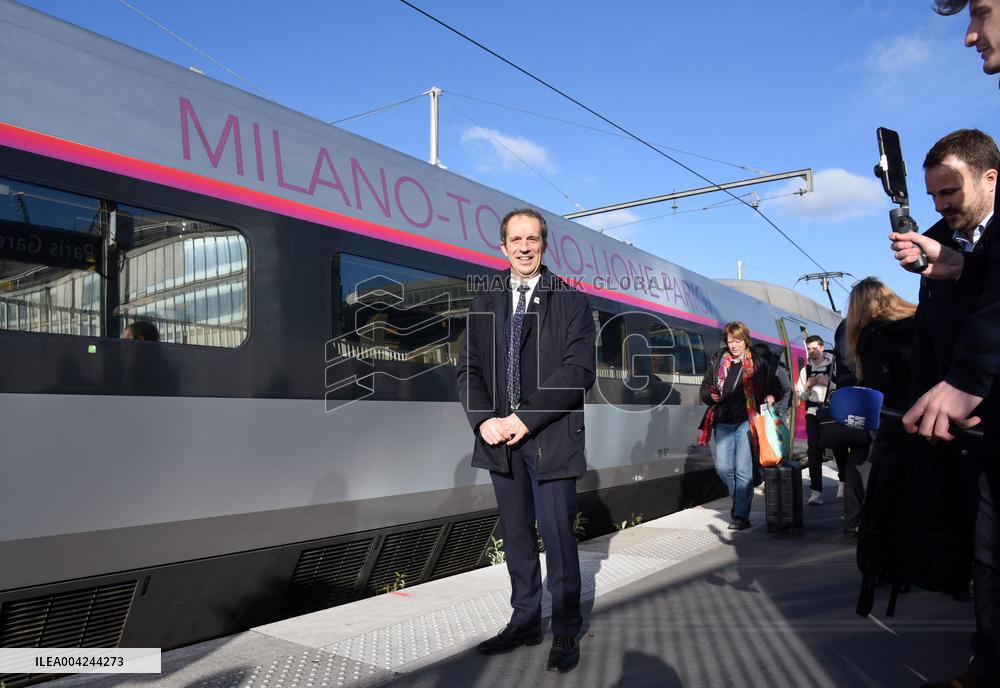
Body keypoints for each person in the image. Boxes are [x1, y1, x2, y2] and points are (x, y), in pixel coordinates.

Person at [456, 208, 595, 673]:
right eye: (515, 239)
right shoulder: (484, 301)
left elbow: (578, 372)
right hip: (500, 443)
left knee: (557, 539)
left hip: (550, 440)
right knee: (516, 538)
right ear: (502, 246)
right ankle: (525, 619)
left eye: (532, 238)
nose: (524, 246)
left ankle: (566, 628)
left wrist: (524, 418)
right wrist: (483, 421)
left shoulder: (570, 301)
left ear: (544, 244)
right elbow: (468, 370)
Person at [891, 122, 1000, 688]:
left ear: (990, 178)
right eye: (933, 195)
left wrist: (965, 378)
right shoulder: (951, 241)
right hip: (974, 432)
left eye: (950, 193)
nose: (940, 205)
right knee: (988, 553)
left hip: (979, 400)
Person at [843, 278, 916, 533]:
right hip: (931, 424)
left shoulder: (872, 335)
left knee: (884, 504)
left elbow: (879, 392)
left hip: (896, 428)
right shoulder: (916, 325)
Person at [698, 322, 778, 531]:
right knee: (723, 469)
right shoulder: (718, 360)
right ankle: (740, 501)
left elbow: (776, 386)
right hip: (723, 421)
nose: (734, 345)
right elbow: (705, 388)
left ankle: (741, 515)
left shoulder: (759, 363)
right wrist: (710, 395)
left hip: (747, 422)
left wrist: (771, 396)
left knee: (743, 470)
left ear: (746, 341)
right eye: (730, 341)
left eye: (738, 341)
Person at [794, 335, 848, 506]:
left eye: (815, 348)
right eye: (809, 349)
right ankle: (816, 491)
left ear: (822, 348)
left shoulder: (834, 365)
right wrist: (808, 385)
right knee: (813, 450)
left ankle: (843, 482)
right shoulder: (806, 370)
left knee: (838, 447)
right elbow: (800, 395)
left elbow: (844, 386)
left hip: (832, 411)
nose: (812, 352)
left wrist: (829, 383)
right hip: (813, 411)